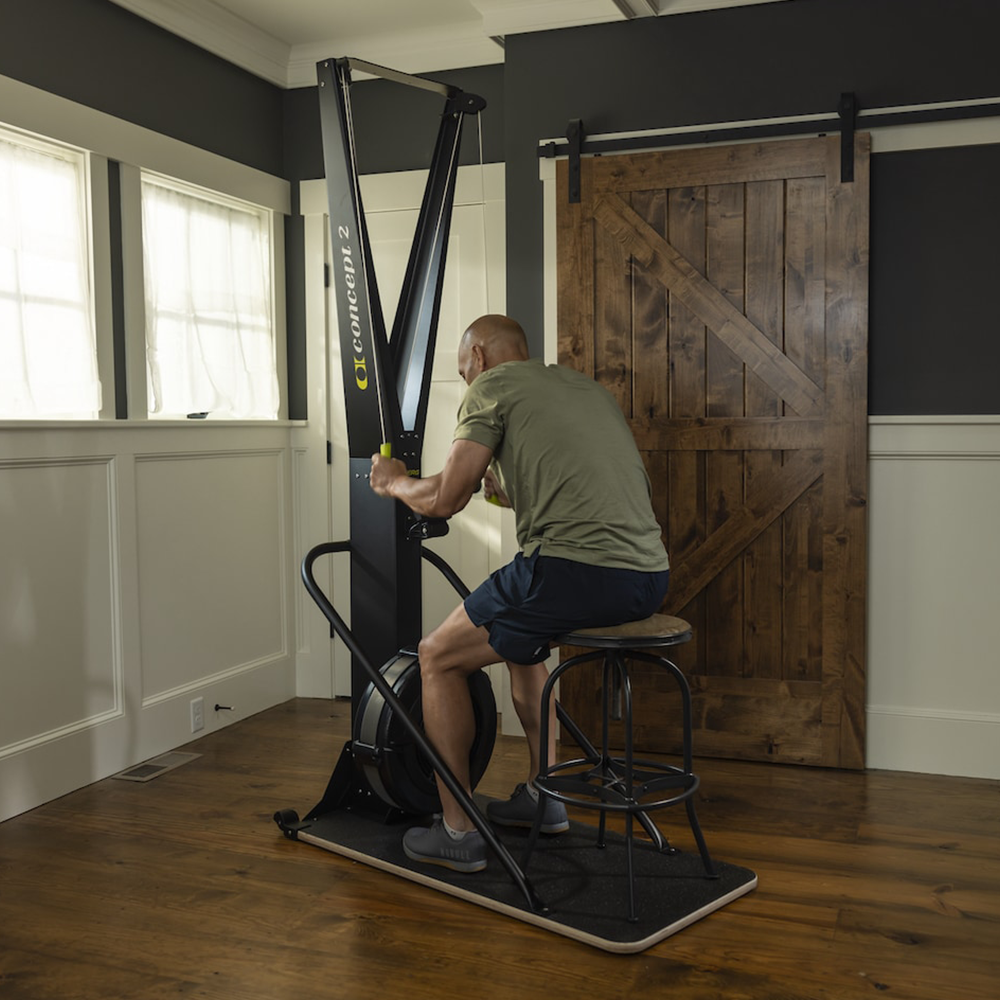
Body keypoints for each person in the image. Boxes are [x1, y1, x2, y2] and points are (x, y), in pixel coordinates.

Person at [368, 314, 670, 872]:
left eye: (463, 372)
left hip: (573, 574)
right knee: (521, 644)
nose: (467, 383)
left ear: (479, 357)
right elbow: (587, 487)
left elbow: (444, 499)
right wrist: (504, 490)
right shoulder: (584, 388)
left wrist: (391, 482)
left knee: (436, 656)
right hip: (648, 577)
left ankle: (457, 834)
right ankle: (545, 799)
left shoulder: (491, 386)